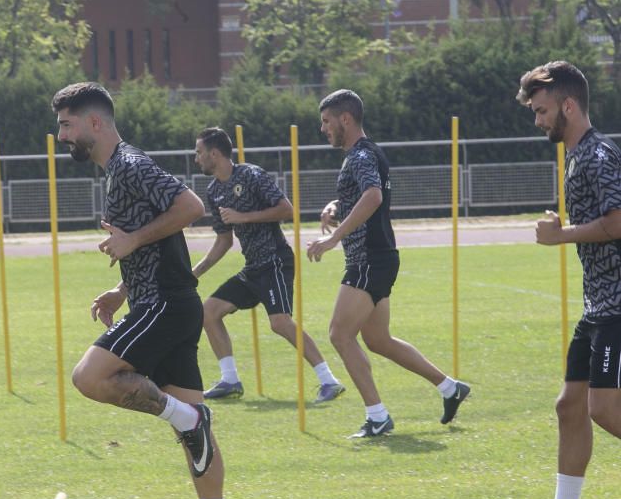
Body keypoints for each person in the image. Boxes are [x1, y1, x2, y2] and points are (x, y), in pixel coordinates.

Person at [53, 82, 233, 499]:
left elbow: (192, 207)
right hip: (162, 300)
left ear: (95, 123)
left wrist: (131, 244)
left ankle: (186, 418)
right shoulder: (114, 172)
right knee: (194, 434)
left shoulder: (130, 164)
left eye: (67, 126)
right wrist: (121, 288)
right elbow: (153, 242)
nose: (61, 137)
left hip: (166, 305)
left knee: (89, 377)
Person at [306, 89, 470, 438]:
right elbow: (363, 192)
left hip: (369, 259)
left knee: (339, 334)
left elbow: (373, 195)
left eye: (326, 121)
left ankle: (377, 416)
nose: (323, 128)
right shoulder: (363, 155)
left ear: (344, 119)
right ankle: (449, 388)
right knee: (378, 340)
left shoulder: (361, 155)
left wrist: (333, 239)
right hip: (378, 258)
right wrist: (336, 205)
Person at [511, 61, 621, 499]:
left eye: (542, 111)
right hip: (598, 304)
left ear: (568, 106)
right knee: (569, 406)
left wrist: (561, 236)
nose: (538, 121)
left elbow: (618, 220)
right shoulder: (576, 156)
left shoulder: (597, 155)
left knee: (604, 410)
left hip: (618, 305)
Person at [192, 126, 345, 402]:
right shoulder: (214, 190)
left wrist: (244, 216)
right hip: (253, 267)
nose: (196, 158)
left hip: (275, 260)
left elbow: (287, 209)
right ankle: (230, 380)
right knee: (208, 312)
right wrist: (196, 272)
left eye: (199, 152)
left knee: (279, 323)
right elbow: (224, 241)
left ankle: (329, 381)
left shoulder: (251, 175)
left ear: (214, 153)